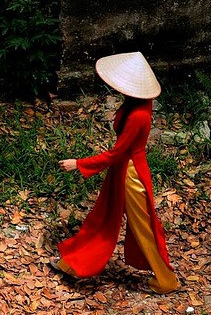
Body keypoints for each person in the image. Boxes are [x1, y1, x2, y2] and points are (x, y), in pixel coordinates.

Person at [53, 51, 179, 292]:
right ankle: (73, 263)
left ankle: (166, 280)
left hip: (131, 174)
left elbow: (117, 153)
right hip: (123, 170)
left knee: (143, 226)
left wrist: (79, 164)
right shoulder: (137, 102)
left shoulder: (139, 115)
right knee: (103, 218)